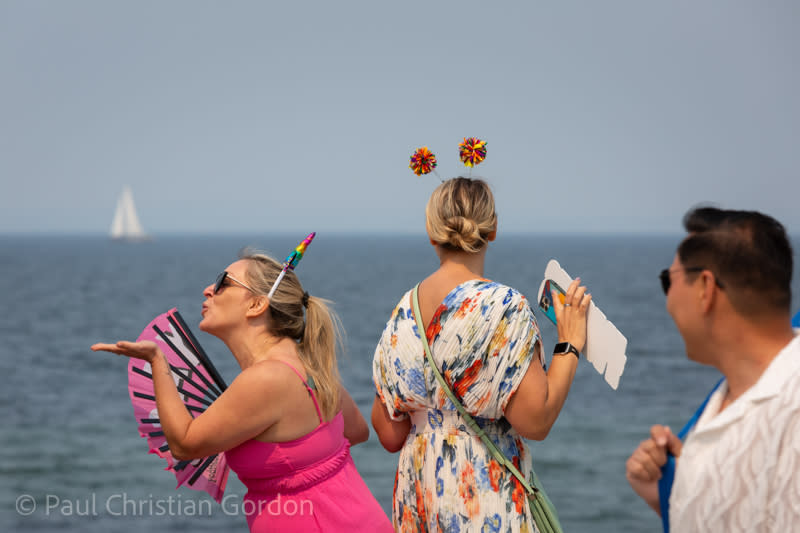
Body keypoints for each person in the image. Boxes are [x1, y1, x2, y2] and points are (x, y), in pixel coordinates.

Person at [93, 250, 393, 532]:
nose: (208, 289)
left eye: (223, 283)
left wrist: (158, 361)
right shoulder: (307, 364)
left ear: (256, 305)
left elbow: (184, 444)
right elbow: (355, 431)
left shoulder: (265, 379)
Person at [370, 177, 591, 531]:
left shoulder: (402, 312)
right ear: (493, 229)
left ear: (431, 232)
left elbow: (389, 434)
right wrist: (570, 343)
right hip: (483, 500)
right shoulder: (503, 308)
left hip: (419, 499)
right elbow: (536, 421)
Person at [625, 206, 800, 532]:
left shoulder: (791, 412)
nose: (667, 300)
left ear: (706, 289)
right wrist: (675, 486)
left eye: (669, 280)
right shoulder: (734, 396)